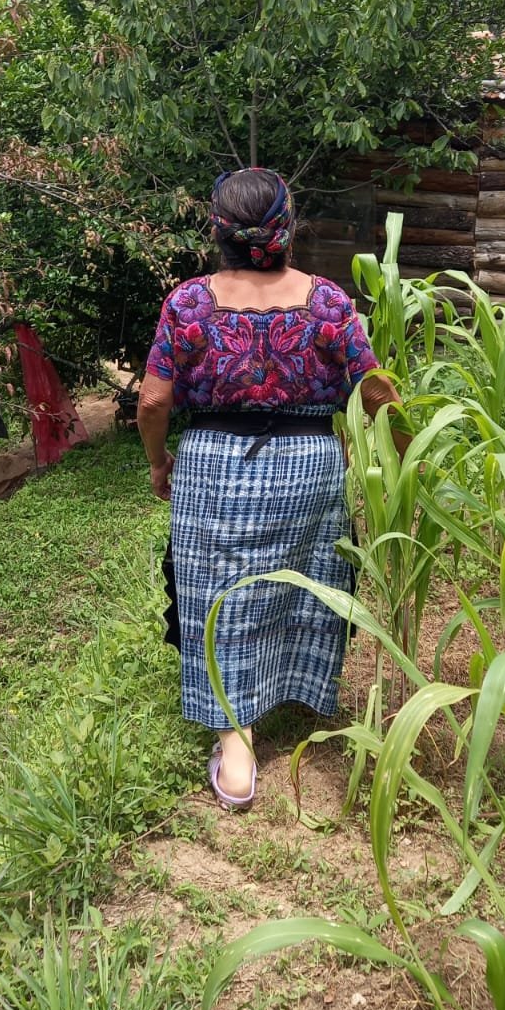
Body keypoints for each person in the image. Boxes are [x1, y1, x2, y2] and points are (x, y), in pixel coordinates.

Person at [137, 168, 400, 810]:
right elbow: (378, 393)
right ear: (286, 226)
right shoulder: (329, 303)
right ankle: (296, 695)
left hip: (213, 463)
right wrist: (404, 462)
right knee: (302, 577)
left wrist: (158, 461)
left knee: (218, 589)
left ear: (217, 232)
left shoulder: (189, 303)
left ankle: (235, 743)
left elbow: (152, 400)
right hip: (310, 463)